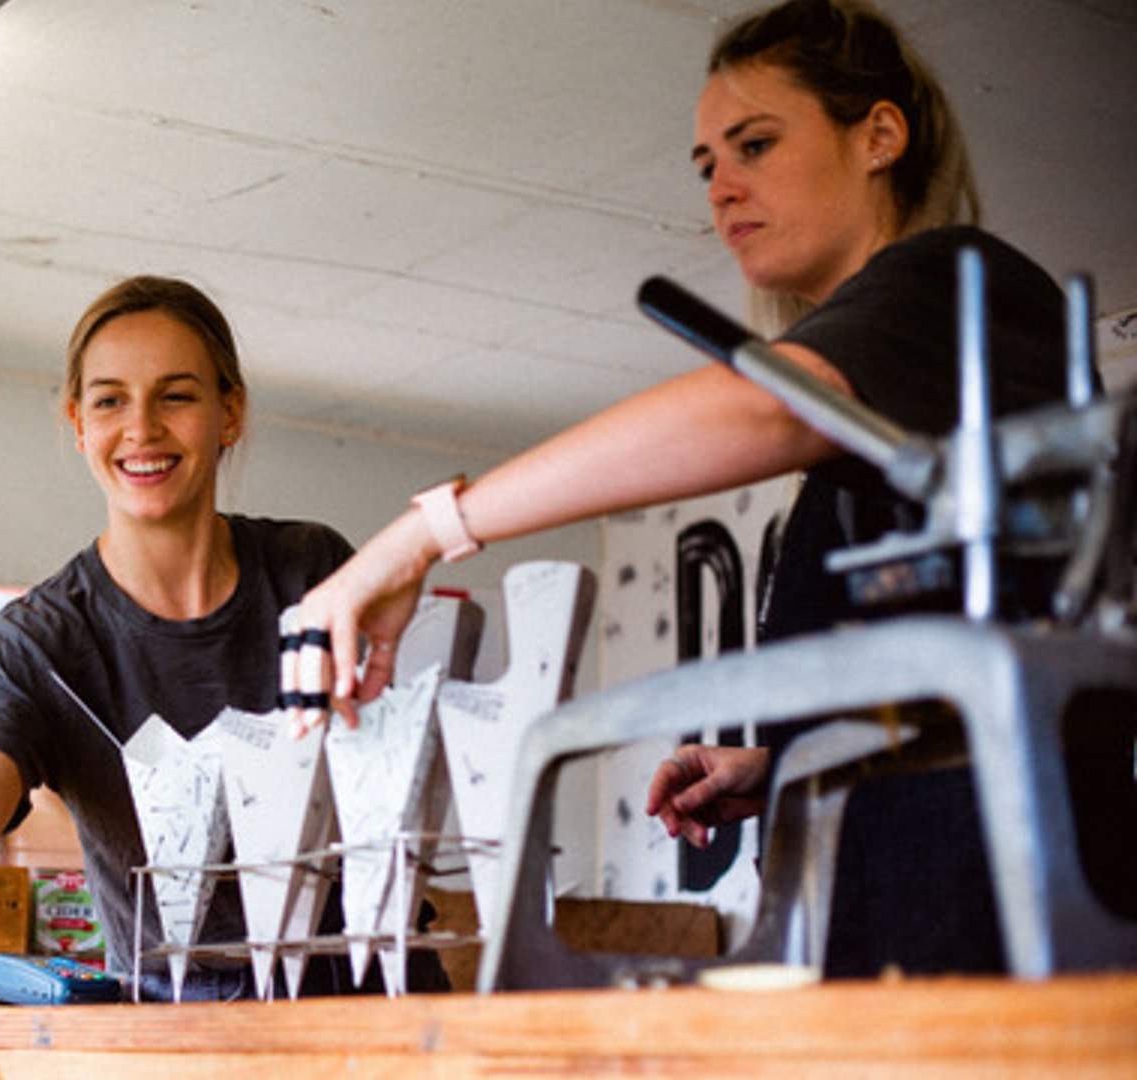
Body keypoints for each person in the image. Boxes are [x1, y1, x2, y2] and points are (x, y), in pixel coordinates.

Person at [281, 0, 1086, 977]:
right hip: (885, 906)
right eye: (709, 166)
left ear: (879, 134)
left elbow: (762, 411)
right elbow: (926, 662)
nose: (723, 190)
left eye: (755, 144)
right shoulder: (883, 411)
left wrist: (421, 534)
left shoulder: (953, 282)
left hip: (992, 911)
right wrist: (783, 760)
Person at [0, 276, 447, 1000]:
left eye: (176, 395)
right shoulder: (38, 642)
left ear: (229, 413)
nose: (141, 429)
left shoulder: (312, 572)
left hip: (380, 1004)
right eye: (109, 400)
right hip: (181, 1038)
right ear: (77, 423)